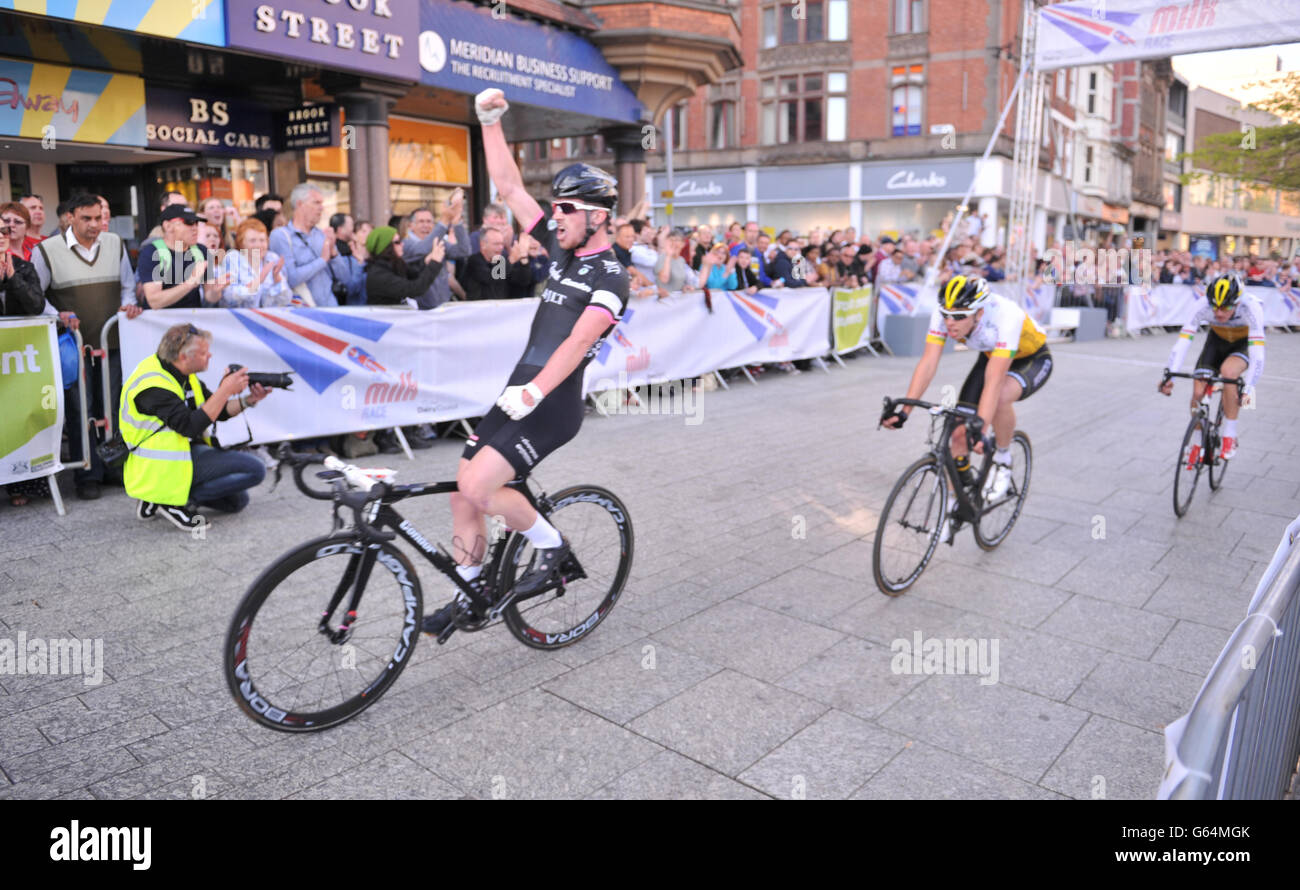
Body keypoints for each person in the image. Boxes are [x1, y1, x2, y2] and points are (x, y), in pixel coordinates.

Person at [421, 88, 630, 638]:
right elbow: (511, 187)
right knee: (460, 489)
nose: (554, 217)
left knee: (483, 490)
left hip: (552, 402)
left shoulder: (611, 277)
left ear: (597, 217)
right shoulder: (562, 249)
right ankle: (469, 591)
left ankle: (554, 548)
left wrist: (534, 392)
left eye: (565, 209)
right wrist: (488, 122)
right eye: (555, 207)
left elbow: (576, 343)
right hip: (520, 390)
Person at [883, 275, 1053, 535]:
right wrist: (905, 411)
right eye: (947, 315)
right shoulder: (946, 316)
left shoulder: (1006, 317)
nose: (951, 322)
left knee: (999, 399)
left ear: (979, 313)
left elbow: (994, 382)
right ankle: (953, 509)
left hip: (1031, 358)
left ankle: (1003, 458)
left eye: (960, 316)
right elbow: (928, 363)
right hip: (992, 356)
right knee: (958, 436)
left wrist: (981, 431)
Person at [30, 193, 142, 499]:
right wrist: (59, 316)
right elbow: (35, 298)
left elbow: (128, 287)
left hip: (112, 344)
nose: (94, 225)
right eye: (86, 218)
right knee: (82, 410)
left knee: (113, 407)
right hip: (74, 347)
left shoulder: (115, 244)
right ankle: (87, 475)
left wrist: (129, 306)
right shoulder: (46, 251)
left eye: (98, 217)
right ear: (70, 217)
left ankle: (114, 467)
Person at [120, 323, 270, 530]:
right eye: (204, 352)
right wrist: (225, 390)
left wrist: (250, 400)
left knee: (237, 501)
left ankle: (159, 497)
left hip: (182, 454)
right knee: (256, 469)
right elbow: (189, 427)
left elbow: (220, 411)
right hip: (160, 466)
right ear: (183, 356)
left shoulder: (184, 375)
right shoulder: (153, 384)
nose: (210, 356)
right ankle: (169, 500)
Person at [1159, 273, 1264, 460]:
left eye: (1226, 307)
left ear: (1238, 302)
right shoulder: (1201, 305)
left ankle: (1229, 435)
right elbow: (1183, 342)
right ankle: (1197, 441)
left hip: (1241, 344)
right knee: (1198, 393)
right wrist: (1170, 377)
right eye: (1215, 307)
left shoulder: (1252, 307)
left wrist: (1249, 387)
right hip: (1216, 342)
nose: (1219, 313)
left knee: (1229, 373)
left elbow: (1257, 352)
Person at [137, 205, 227, 309]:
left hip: (191, 321)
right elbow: (155, 301)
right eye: (188, 222)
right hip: (159, 323)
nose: (195, 228)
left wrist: (216, 291)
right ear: (168, 226)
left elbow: (210, 297)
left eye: (196, 223)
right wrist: (190, 283)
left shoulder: (201, 251)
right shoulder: (151, 252)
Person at [268, 184, 336, 306]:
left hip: (331, 308)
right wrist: (322, 260)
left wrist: (335, 254)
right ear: (299, 204)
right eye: (316, 203)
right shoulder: (280, 236)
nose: (321, 208)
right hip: (303, 314)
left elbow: (347, 280)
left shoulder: (322, 235)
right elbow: (291, 278)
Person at [402, 195, 469, 309]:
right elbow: (423, 249)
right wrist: (444, 221)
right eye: (421, 221)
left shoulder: (438, 241)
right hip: (421, 310)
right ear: (411, 226)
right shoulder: (406, 244)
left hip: (443, 306)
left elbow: (463, 251)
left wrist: (457, 223)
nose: (426, 225)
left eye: (429, 222)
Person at [362, 225, 445, 305]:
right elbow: (414, 289)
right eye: (397, 242)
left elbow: (413, 273)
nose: (402, 244)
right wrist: (434, 263)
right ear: (386, 247)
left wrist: (426, 261)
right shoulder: (378, 274)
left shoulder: (393, 264)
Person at [220, 219, 292, 308]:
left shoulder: (271, 258)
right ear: (241, 243)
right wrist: (258, 282)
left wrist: (277, 280)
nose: (258, 245)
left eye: (262, 240)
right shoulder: (232, 258)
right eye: (253, 241)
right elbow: (229, 297)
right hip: (237, 319)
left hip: (267, 319)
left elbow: (285, 300)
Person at [459, 226, 532, 301]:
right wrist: (511, 259)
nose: (501, 247)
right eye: (496, 244)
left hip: (501, 309)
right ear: (483, 245)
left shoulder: (502, 261)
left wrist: (524, 257)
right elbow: (490, 278)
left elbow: (523, 280)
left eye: (502, 244)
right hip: (480, 310)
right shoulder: (474, 261)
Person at [327, 213, 367, 305]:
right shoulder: (342, 252)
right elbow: (352, 286)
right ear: (340, 229)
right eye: (351, 226)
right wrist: (360, 263)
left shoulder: (347, 248)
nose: (353, 230)